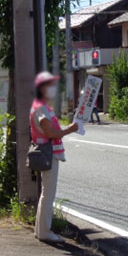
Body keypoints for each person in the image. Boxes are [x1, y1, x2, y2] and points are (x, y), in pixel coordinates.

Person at [30, 71, 79, 243]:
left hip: (47, 153)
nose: (53, 89)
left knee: (46, 193)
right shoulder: (41, 108)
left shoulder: (40, 106)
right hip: (48, 154)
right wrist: (70, 129)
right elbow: (50, 132)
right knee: (48, 194)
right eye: (50, 86)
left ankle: (40, 229)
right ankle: (44, 232)